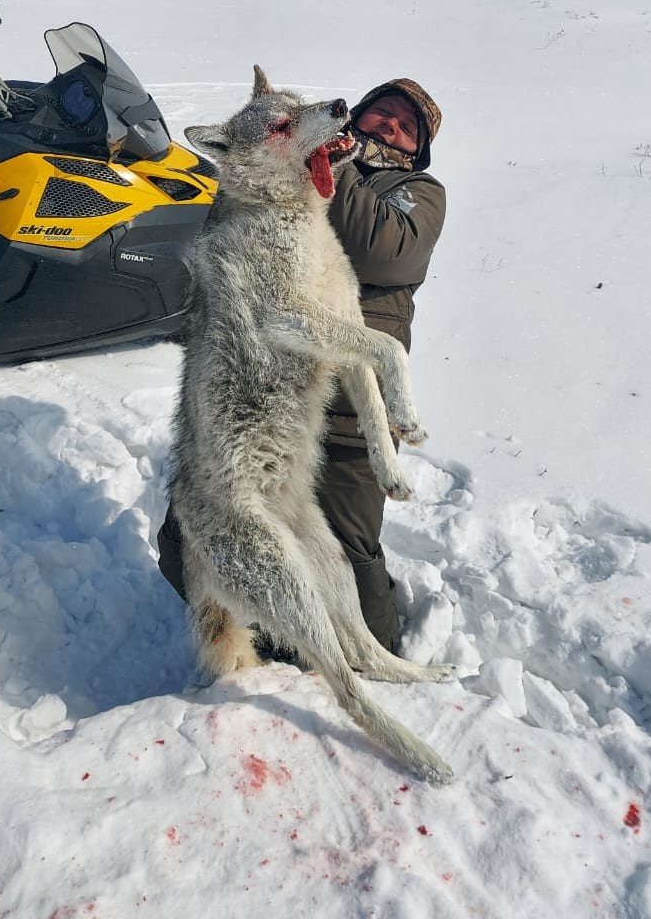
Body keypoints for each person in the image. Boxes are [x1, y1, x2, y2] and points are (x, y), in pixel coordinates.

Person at [156, 77, 445, 652]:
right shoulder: (291, 162)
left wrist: (319, 162)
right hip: (264, 392)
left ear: (417, 149)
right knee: (187, 542)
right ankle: (264, 633)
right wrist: (291, 156)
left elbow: (379, 247)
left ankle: (373, 658)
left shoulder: (415, 192)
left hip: (346, 418)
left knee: (348, 566)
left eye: (405, 127)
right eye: (380, 114)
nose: (389, 127)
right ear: (355, 116)